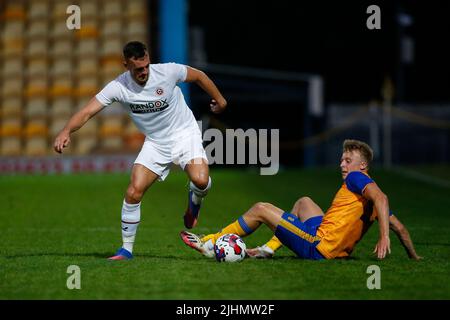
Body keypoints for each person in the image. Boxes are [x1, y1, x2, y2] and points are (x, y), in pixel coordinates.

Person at [54, 41, 227, 260]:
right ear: (126, 65)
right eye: (138, 69)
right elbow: (88, 111)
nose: (144, 71)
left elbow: (199, 76)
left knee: (201, 181)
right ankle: (126, 249)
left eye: (146, 65)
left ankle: (195, 201)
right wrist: (66, 131)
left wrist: (220, 100)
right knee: (134, 191)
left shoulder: (168, 71)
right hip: (156, 142)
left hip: (185, 134)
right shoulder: (118, 87)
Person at [181, 139, 422, 260]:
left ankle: (211, 242)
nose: (342, 164)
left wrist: (383, 237)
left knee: (261, 208)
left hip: (318, 245)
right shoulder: (369, 201)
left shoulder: (357, 178)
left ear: (363, 166)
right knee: (304, 202)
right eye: (342, 159)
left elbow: (382, 197)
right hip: (326, 239)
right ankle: (268, 248)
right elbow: (400, 228)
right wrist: (414, 257)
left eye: (347, 160)